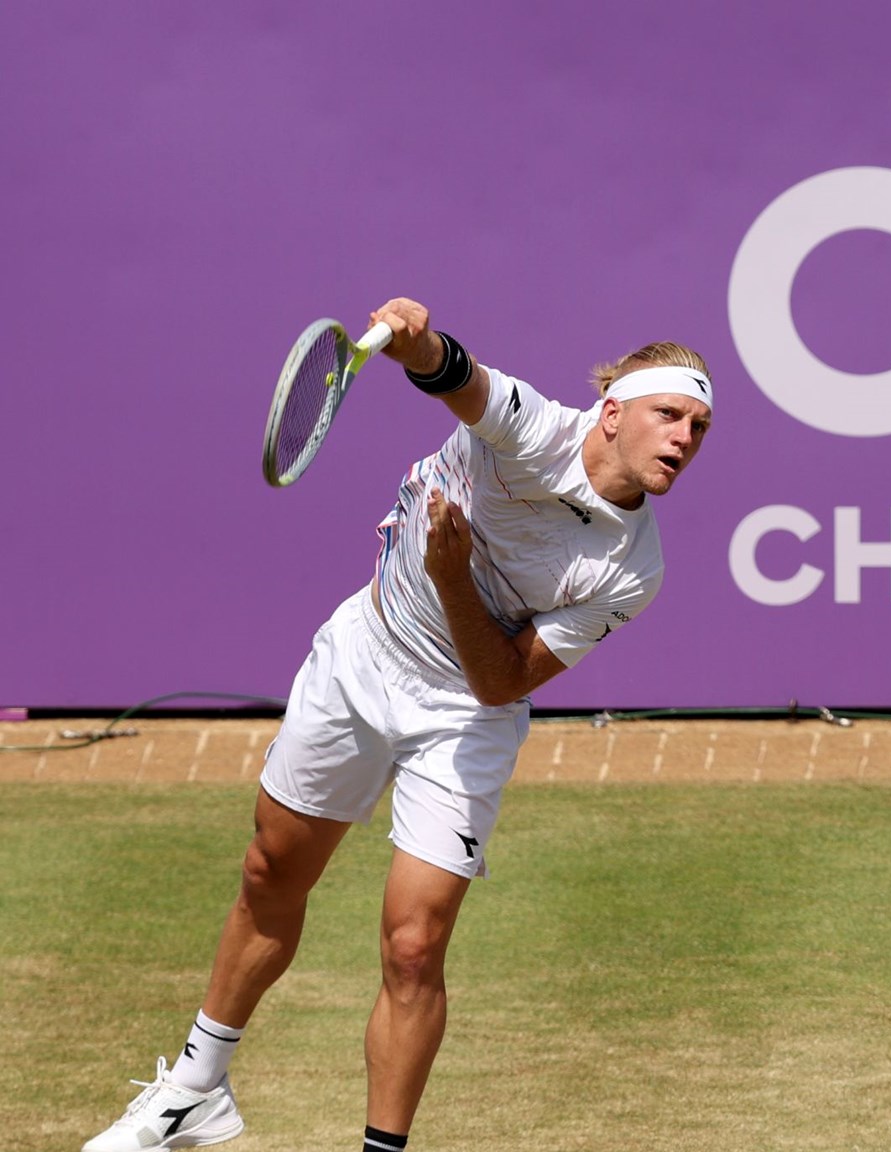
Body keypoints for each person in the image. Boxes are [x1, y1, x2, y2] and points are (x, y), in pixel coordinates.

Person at [82, 299, 714, 1152]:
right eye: (668, 414)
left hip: (464, 716)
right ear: (612, 413)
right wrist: (416, 340)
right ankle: (195, 1089)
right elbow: (458, 376)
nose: (683, 437)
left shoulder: (634, 568)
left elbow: (500, 684)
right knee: (272, 869)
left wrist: (454, 576)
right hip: (367, 654)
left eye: (699, 427)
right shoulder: (532, 428)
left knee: (415, 947)